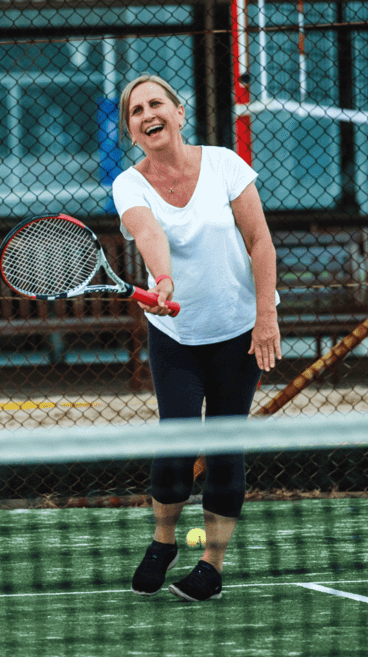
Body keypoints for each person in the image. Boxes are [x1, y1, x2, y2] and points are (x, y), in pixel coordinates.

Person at [111, 74, 281, 602]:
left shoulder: (226, 164)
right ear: (133, 132)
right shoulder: (128, 185)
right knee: (178, 443)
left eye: (155, 103)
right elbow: (150, 233)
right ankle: (164, 541)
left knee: (226, 447)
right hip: (176, 334)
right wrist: (162, 280)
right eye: (136, 111)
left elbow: (260, 242)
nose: (147, 114)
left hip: (239, 331)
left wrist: (265, 315)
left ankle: (211, 564)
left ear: (179, 113)